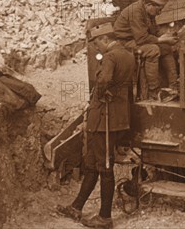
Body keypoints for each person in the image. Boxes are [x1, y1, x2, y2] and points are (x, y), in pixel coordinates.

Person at [57, 24, 135, 229]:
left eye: (97, 43)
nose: (97, 48)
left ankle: (105, 218)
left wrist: (101, 93)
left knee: (105, 167)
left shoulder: (110, 56)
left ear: (105, 39)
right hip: (117, 118)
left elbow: (104, 81)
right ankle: (76, 207)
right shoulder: (128, 54)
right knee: (92, 164)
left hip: (104, 120)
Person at [112, 0, 178, 100]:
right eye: (159, 9)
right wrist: (163, 39)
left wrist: (167, 36)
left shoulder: (148, 13)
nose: (159, 13)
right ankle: (154, 90)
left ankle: (174, 85)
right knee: (153, 50)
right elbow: (142, 38)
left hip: (137, 40)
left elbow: (155, 31)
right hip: (126, 42)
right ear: (149, 5)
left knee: (166, 48)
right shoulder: (135, 12)